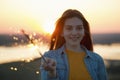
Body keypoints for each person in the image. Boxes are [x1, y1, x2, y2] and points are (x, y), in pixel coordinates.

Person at [40, 9, 107, 80]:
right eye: (69, 28)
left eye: (79, 28)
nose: (74, 33)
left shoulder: (97, 60)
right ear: (61, 32)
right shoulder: (49, 58)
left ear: (84, 31)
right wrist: (52, 73)